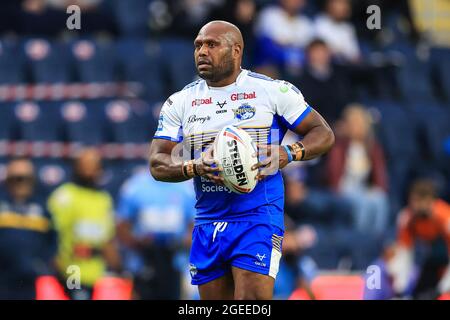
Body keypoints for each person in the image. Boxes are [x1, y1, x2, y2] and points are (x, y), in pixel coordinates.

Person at [149, 20, 335, 300]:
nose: (202, 51)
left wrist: (287, 153)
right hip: (208, 220)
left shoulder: (272, 91)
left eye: (211, 44)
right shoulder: (180, 102)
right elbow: (157, 162)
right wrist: (194, 166)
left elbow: (323, 133)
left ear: (236, 50)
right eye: (198, 45)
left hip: (257, 215)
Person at [47, 148, 121, 300]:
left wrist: (119, 268)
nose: (90, 170)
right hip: (71, 269)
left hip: (96, 273)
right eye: (85, 165)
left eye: (94, 165)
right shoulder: (65, 196)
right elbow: (51, 232)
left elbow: (107, 238)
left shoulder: (103, 199)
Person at [116, 170, 196, 300]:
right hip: (142, 266)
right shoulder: (135, 186)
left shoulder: (187, 189)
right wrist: (138, 242)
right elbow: (121, 226)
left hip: (176, 265)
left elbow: (195, 229)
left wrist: (178, 243)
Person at [326, 104, 389, 236]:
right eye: (353, 124)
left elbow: (379, 173)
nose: (356, 127)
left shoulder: (371, 147)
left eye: (359, 124)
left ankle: (378, 237)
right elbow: (333, 174)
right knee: (363, 203)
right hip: (344, 188)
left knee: (380, 199)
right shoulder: (339, 146)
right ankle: (360, 239)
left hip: (362, 187)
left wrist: (378, 188)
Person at [0, 157, 57, 299]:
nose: (21, 183)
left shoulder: (44, 208)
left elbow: (53, 241)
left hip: (32, 283)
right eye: (16, 178)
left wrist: (40, 265)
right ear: (7, 180)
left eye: (25, 178)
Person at [389, 179, 450, 299]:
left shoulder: (446, 219)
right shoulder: (407, 218)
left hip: (445, 258)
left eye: (419, 201)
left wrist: (442, 289)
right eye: (413, 201)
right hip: (432, 260)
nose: (415, 206)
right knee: (419, 295)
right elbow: (404, 253)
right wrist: (400, 288)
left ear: (430, 201)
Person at [255, 0, 314, 75]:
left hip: (300, 69)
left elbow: (309, 52)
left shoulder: (306, 23)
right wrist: (289, 56)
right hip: (272, 65)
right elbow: (265, 46)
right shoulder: (269, 15)